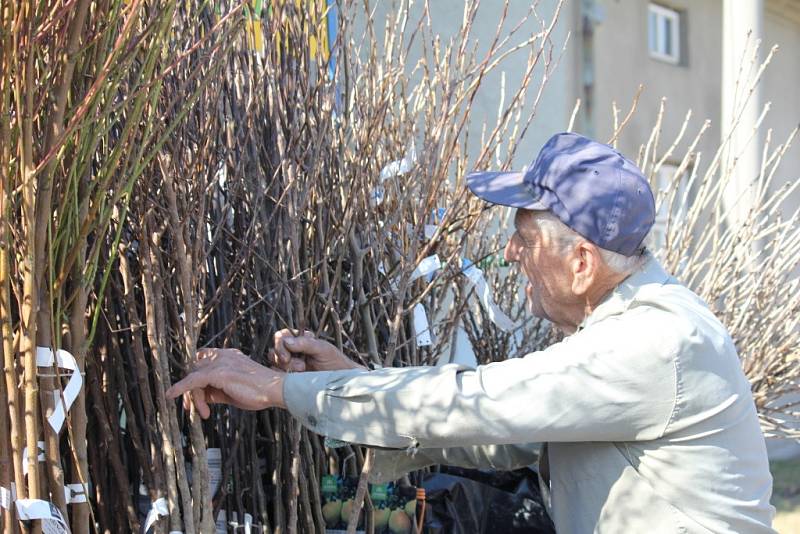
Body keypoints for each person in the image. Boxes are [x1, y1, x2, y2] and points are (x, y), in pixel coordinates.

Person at [167, 133, 776, 533]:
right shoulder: (629, 327)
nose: (510, 253)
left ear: (583, 262)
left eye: (525, 239)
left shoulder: (653, 344)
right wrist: (352, 382)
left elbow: (476, 401)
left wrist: (277, 389)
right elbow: (497, 435)